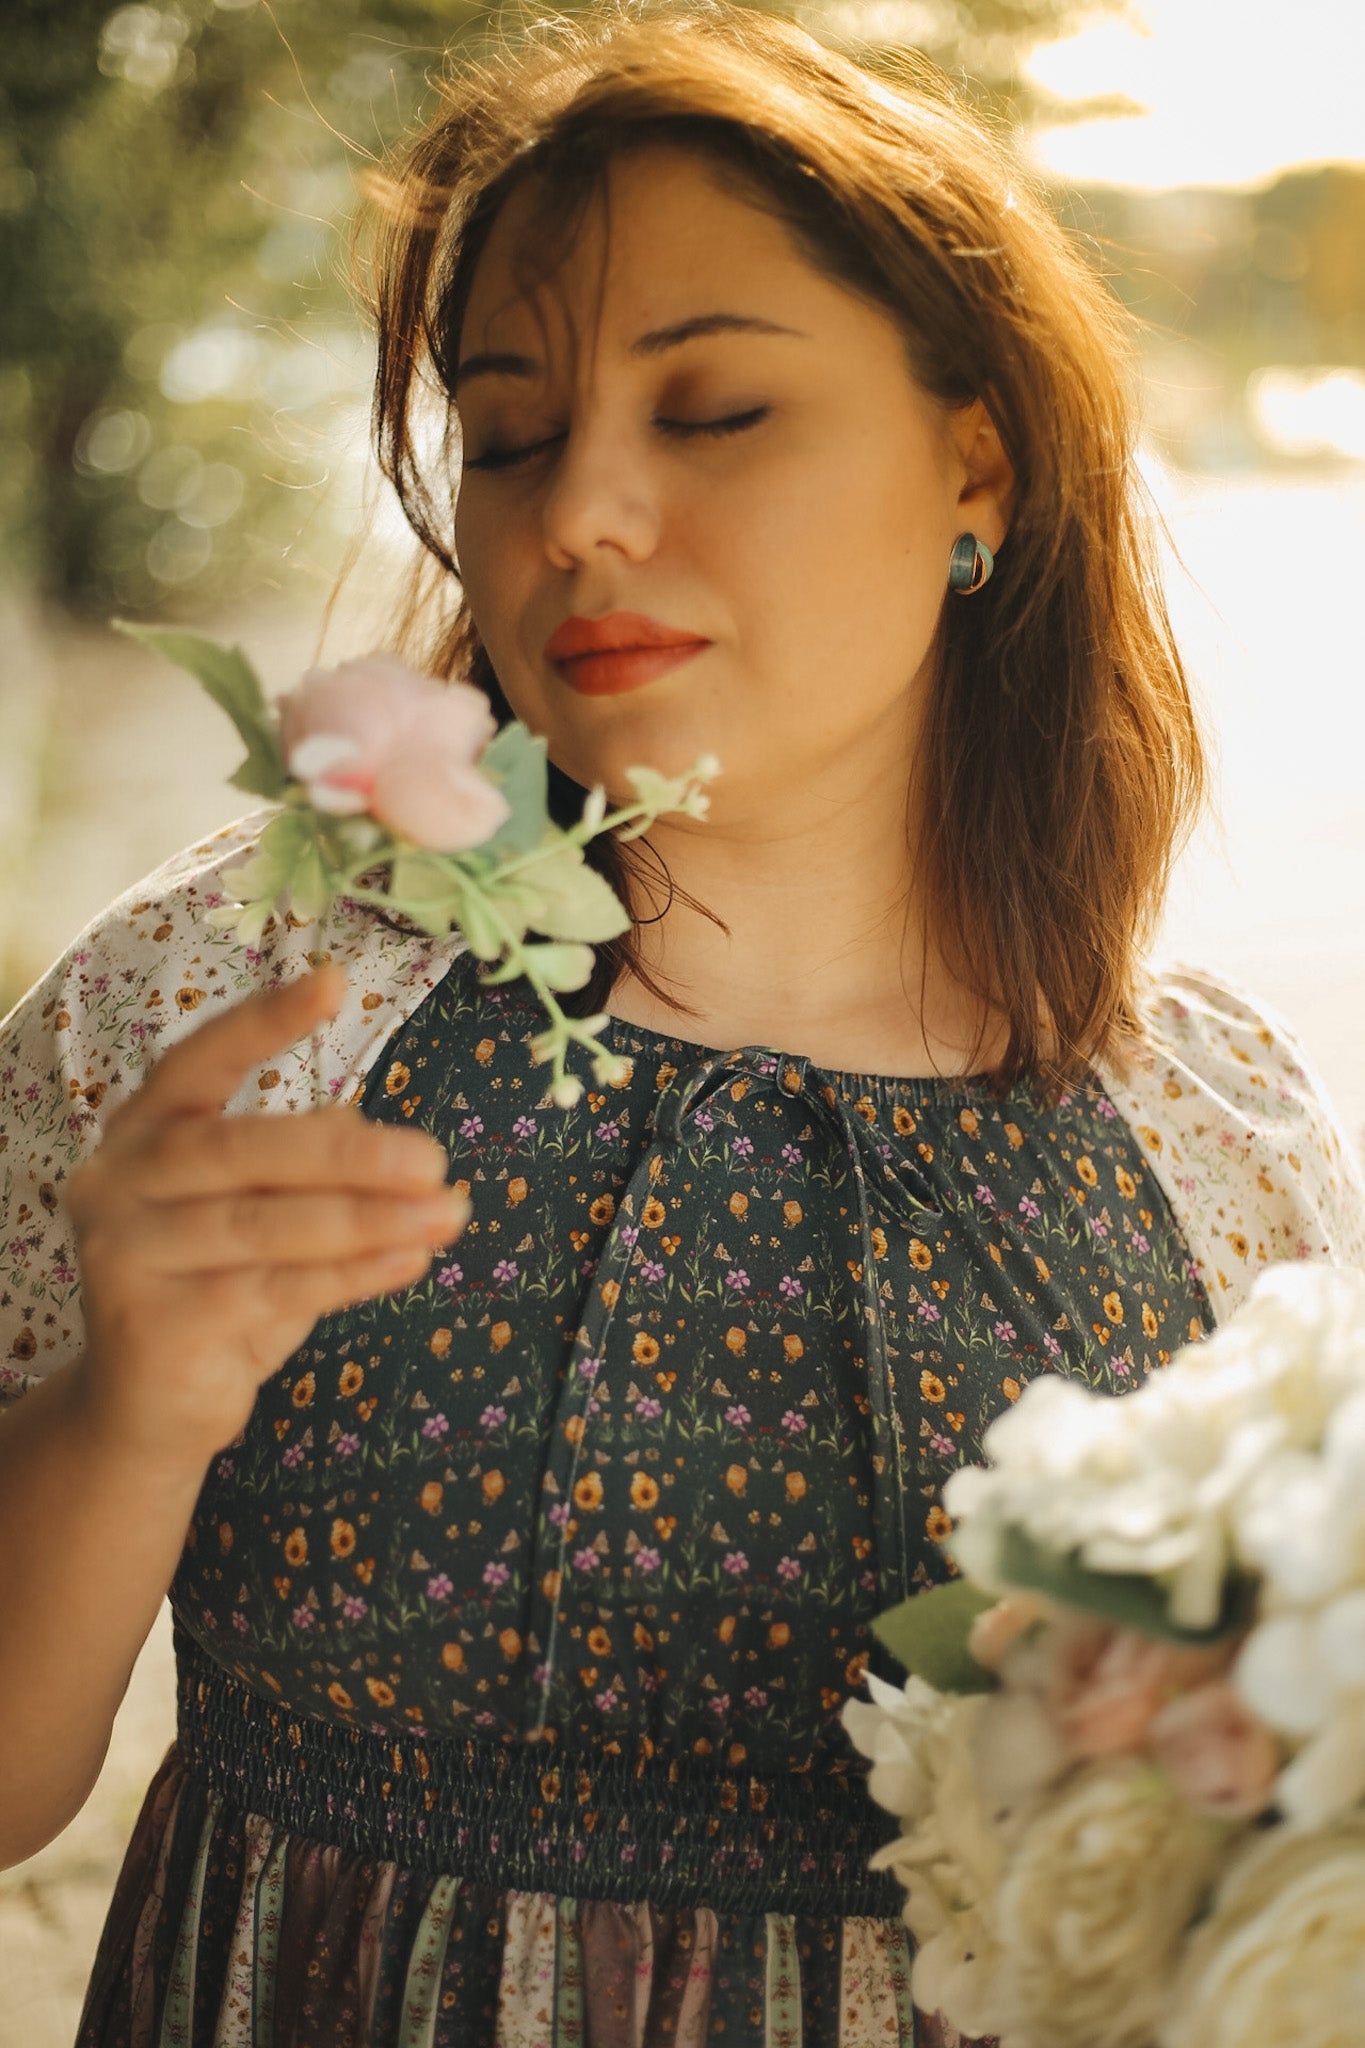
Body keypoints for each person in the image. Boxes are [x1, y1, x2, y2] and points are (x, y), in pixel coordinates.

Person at [1, 5, 1362, 2042]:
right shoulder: (242, 1003)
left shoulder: (1211, 1137)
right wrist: (123, 1417)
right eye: (506, 430)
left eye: (711, 409)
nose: (578, 518)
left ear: (972, 459)